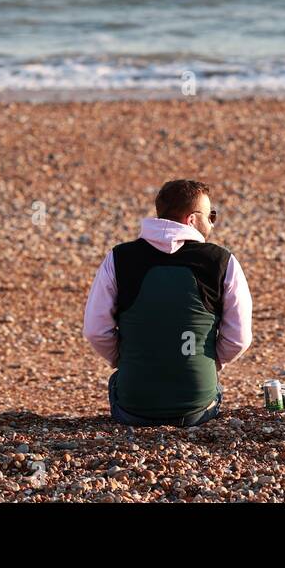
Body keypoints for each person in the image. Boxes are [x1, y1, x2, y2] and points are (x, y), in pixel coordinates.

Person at [83, 179, 253, 425]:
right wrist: (208, 361)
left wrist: (124, 358)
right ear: (192, 220)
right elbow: (239, 338)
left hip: (133, 407)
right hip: (197, 407)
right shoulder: (222, 261)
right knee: (208, 387)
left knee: (118, 381)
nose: (212, 223)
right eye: (211, 216)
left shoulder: (119, 258)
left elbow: (95, 330)